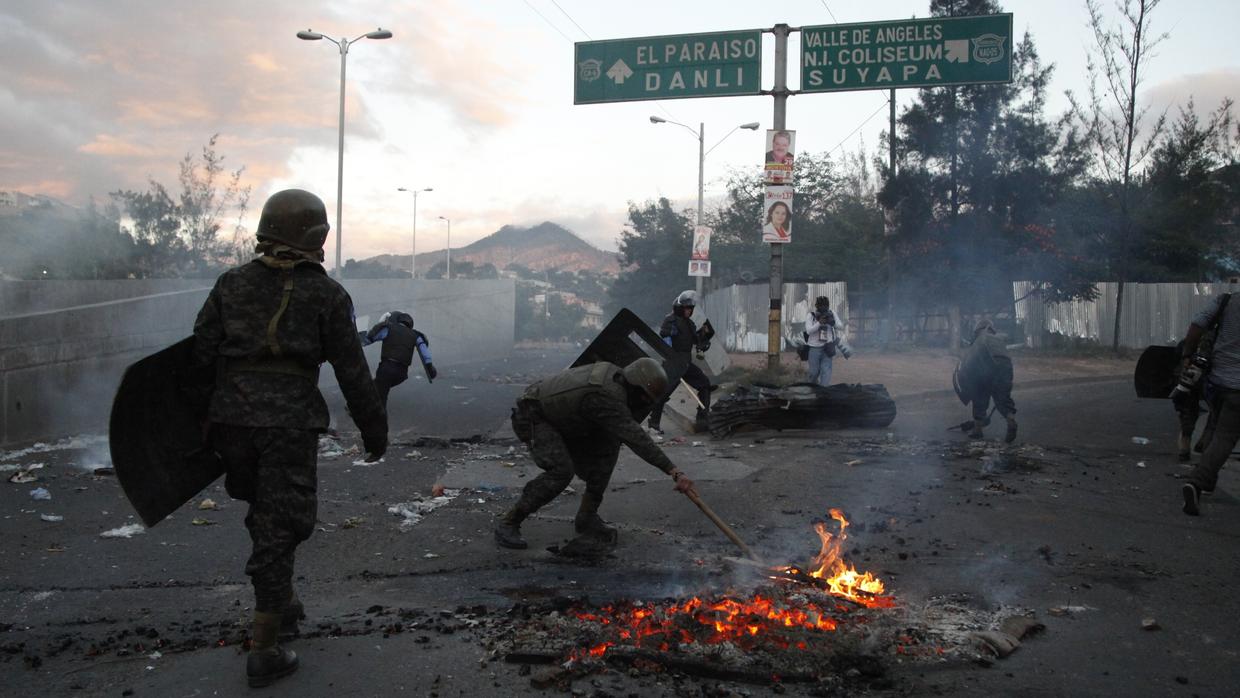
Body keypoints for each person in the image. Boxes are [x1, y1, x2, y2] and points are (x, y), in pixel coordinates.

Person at [190, 189, 388, 687]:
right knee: (284, 522)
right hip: (288, 424)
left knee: (264, 513)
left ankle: (284, 604)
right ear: (314, 238)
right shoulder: (326, 295)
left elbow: (199, 355)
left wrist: (204, 421)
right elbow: (352, 371)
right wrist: (374, 429)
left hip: (231, 421)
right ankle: (265, 646)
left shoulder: (230, 283)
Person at [494, 357, 697, 549]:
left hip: (564, 419)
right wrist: (674, 471)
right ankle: (509, 523)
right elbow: (637, 438)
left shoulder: (616, 376)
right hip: (533, 417)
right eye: (644, 396)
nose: (644, 402)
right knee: (561, 472)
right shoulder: (605, 397)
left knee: (608, 448)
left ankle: (587, 517)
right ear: (635, 386)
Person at [1180, 291, 1239, 515]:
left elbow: (1198, 324)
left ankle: (1209, 478)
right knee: (1226, 436)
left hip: (1215, 382)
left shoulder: (1227, 300)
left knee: (1216, 427)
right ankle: (1197, 482)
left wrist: (1187, 354)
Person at [648, 290, 713, 434]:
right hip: (673, 364)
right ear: (680, 308)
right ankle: (653, 425)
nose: (689, 311)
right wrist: (671, 357)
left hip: (686, 363)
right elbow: (665, 340)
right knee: (663, 393)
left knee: (705, 384)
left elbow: (695, 340)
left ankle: (703, 420)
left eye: (691, 309)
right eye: (687, 308)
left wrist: (704, 337)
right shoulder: (670, 320)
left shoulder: (689, 323)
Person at [359, 310, 436, 407]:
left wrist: (373, 328)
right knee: (376, 388)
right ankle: (354, 406)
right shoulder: (415, 335)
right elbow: (425, 354)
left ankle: (378, 418)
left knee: (380, 397)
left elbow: (367, 340)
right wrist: (430, 369)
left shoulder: (388, 329)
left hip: (386, 369)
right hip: (401, 374)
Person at [959, 318, 1017, 442]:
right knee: (1003, 398)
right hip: (1005, 367)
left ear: (978, 330)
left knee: (979, 396)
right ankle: (1010, 420)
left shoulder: (978, 341)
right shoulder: (998, 339)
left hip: (986, 365)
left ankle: (977, 430)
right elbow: (1006, 359)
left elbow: (970, 367)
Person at [804, 296, 852, 387]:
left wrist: (832, 323)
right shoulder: (811, 315)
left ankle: (823, 392)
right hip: (814, 348)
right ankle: (811, 390)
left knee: (826, 372)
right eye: (821, 306)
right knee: (813, 373)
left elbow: (841, 327)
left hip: (828, 347)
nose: (823, 308)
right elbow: (809, 331)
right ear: (817, 306)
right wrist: (819, 323)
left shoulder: (832, 313)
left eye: (825, 306)